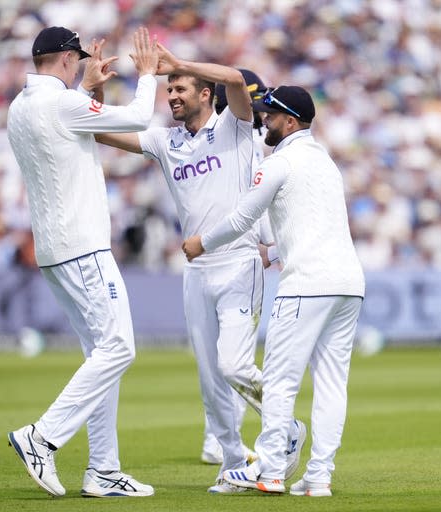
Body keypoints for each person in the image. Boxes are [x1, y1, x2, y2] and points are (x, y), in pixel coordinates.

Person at [96, 49, 305, 493]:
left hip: (239, 264)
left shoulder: (233, 129)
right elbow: (102, 134)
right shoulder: (165, 141)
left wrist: (180, 64)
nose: (171, 94)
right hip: (196, 272)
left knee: (233, 365)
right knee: (211, 381)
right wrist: (93, 90)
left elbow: (233, 77)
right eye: (169, 88)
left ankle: (286, 427)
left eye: (180, 88)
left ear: (204, 94)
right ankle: (233, 462)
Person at [182, 85, 365, 497]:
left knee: (281, 382)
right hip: (348, 283)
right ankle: (318, 477)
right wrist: (275, 250)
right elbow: (321, 224)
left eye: (270, 114)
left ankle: (269, 469)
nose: (264, 119)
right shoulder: (326, 163)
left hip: (307, 285)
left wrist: (201, 243)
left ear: (291, 121)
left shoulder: (279, 163)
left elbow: (243, 216)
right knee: (333, 383)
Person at [6, 26, 158, 498]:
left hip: (54, 249)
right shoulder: (63, 103)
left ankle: (103, 470)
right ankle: (42, 436)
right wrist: (147, 75)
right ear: (68, 59)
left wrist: (88, 87)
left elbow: (66, 124)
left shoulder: (20, 106)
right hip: (84, 246)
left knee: (101, 357)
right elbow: (136, 117)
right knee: (119, 349)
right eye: (77, 58)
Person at [200, 69, 269, 466]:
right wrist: (267, 243)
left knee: (222, 358)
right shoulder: (248, 140)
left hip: (222, 252)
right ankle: (224, 439)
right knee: (236, 356)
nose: (260, 110)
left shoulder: (231, 140)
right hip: (239, 253)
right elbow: (252, 202)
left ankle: (219, 439)